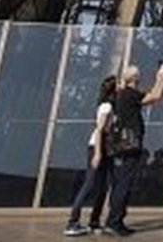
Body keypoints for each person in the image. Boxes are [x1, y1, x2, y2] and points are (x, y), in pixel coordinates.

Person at [105, 62, 163, 237]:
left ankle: (114, 220)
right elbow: (155, 96)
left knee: (119, 183)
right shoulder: (131, 94)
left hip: (119, 146)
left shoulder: (119, 95)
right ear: (135, 78)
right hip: (129, 145)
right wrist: (161, 78)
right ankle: (114, 222)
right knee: (124, 184)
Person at [64, 76, 117, 236]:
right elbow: (100, 129)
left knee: (103, 187)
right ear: (113, 90)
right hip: (97, 147)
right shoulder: (106, 107)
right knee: (89, 184)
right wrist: (98, 154)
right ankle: (72, 222)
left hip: (105, 148)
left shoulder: (111, 106)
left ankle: (94, 222)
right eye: (119, 84)